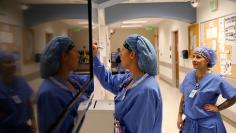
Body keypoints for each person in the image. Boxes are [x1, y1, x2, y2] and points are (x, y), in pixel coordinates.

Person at [93, 34, 162, 133]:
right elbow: (109, 81)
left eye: (122, 50)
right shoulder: (131, 78)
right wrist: (95, 57)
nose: (119, 53)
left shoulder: (146, 91)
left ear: (132, 55)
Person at [37, 36, 93, 133]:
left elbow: (90, 85)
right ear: (64, 56)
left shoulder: (70, 80)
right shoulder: (48, 94)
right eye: (75, 51)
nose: (78, 55)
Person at [177, 46, 236, 133]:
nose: (194, 59)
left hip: (208, 125)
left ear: (207, 60)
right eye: (193, 56)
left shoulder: (216, 79)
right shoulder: (189, 76)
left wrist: (218, 108)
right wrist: (179, 115)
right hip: (189, 123)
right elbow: (184, 97)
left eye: (198, 57)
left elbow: (234, 96)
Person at [0, 51, 35, 133]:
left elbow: (28, 102)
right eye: (8, 62)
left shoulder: (21, 81)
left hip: (23, 128)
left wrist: (33, 119)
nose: (12, 64)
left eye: (13, 61)